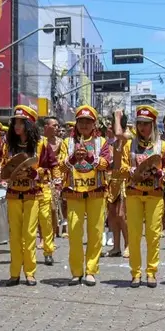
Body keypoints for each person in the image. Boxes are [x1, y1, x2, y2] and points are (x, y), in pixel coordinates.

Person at [63, 105, 113, 286]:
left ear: (94, 124)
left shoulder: (102, 142)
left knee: (96, 233)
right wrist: (73, 158)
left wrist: (91, 157)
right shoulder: (67, 142)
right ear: (76, 124)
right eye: (81, 121)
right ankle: (76, 272)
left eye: (88, 121)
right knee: (74, 233)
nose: (84, 124)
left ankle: (91, 270)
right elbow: (61, 167)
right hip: (74, 192)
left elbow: (107, 164)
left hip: (96, 192)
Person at [121, 105, 165, 287]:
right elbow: (122, 168)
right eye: (140, 123)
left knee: (153, 234)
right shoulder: (129, 144)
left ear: (153, 124)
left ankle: (151, 272)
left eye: (146, 124)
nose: (142, 127)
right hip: (134, 194)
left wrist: (159, 173)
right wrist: (133, 170)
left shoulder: (162, 145)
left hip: (155, 194)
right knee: (134, 235)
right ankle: (135, 273)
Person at [3, 105, 46, 286]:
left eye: (21, 122)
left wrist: (34, 174)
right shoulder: (8, 145)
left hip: (32, 194)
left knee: (29, 234)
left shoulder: (40, 144)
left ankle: (30, 272)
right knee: (14, 235)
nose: (17, 126)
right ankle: (14, 273)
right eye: (15, 123)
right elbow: (3, 168)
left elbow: (49, 168)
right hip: (13, 193)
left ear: (29, 125)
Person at [38, 117, 64, 266]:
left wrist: (58, 181)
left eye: (57, 125)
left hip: (47, 184)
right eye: (53, 125)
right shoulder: (33, 141)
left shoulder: (59, 142)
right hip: (27, 187)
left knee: (48, 216)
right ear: (45, 126)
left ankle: (48, 250)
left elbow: (54, 164)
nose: (56, 127)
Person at [106, 110, 129, 258]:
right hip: (111, 180)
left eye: (111, 123)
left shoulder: (126, 136)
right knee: (112, 216)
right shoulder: (110, 140)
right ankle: (116, 247)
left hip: (125, 180)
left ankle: (128, 245)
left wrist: (117, 117)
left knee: (122, 215)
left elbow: (120, 135)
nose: (108, 126)